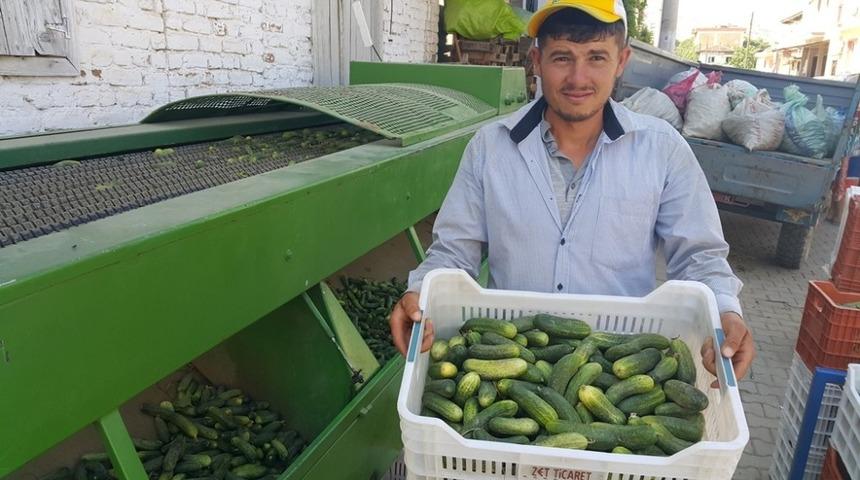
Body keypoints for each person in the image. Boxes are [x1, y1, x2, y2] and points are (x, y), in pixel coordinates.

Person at [389, 0, 755, 386]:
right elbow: (452, 253)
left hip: (618, 372)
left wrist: (726, 313)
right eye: (562, 57)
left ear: (621, 61)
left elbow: (699, 258)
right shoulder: (489, 148)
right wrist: (421, 295)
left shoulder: (662, 150)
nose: (578, 78)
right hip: (515, 365)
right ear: (536, 61)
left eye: (596, 57)